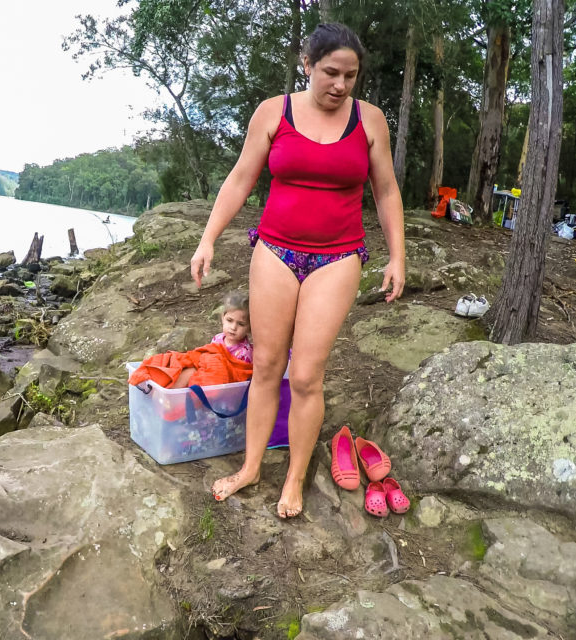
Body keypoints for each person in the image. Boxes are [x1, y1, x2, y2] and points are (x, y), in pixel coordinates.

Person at [189, 22, 405, 519]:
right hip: (275, 252)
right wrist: (207, 239)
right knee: (266, 365)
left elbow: (387, 190)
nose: (340, 85)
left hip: (338, 257)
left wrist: (398, 255)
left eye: (350, 76)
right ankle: (249, 468)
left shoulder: (370, 122)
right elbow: (241, 177)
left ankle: (294, 478)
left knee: (305, 374)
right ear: (306, 65)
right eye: (331, 72)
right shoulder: (274, 111)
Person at [211, 291, 253, 364]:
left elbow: (241, 373)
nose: (233, 327)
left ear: (249, 328)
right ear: (223, 318)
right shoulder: (217, 339)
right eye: (229, 320)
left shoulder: (244, 353)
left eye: (241, 324)